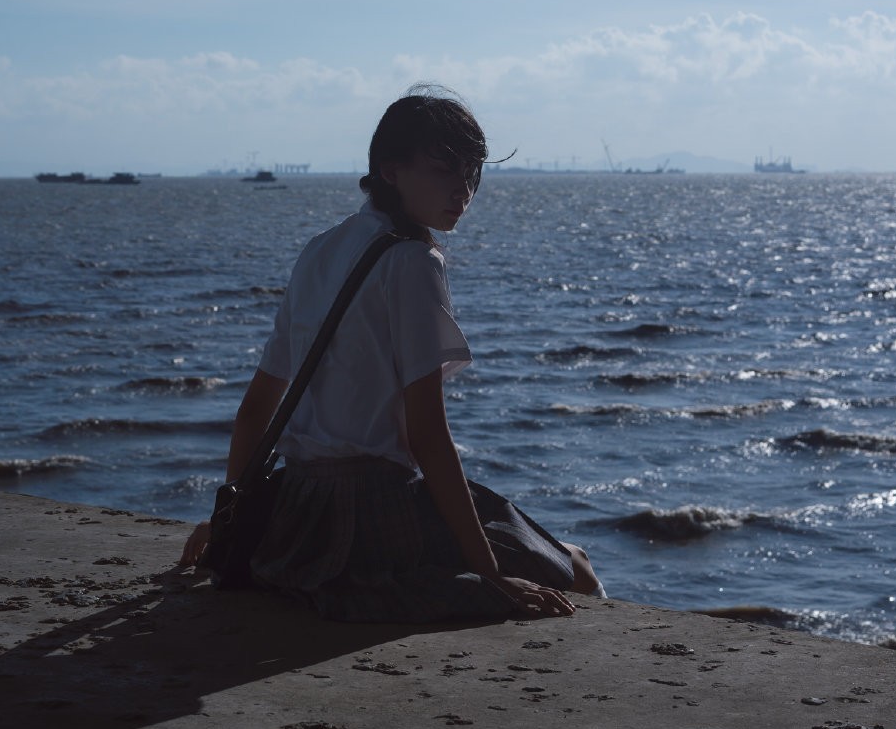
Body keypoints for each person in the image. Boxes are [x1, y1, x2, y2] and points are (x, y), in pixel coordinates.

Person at [179, 87, 603, 621]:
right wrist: (490, 574)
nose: (463, 189)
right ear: (390, 170)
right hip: (375, 514)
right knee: (574, 567)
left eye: (471, 172)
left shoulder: (319, 249)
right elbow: (427, 436)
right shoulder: (413, 262)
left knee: (538, 550)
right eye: (443, 170)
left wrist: (231, 521)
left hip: (297, 514)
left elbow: (255, 409)